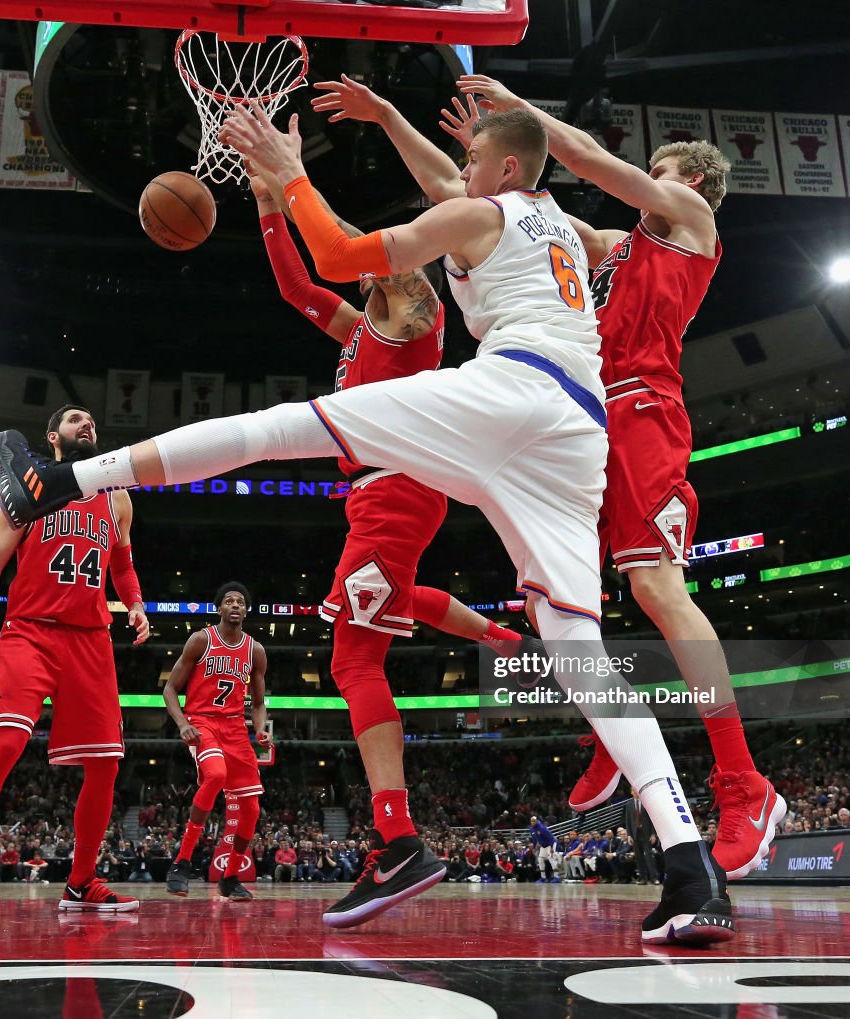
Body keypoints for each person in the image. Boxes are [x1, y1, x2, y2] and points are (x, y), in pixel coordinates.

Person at [0, 103, 733, 944]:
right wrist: (383, 118)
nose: (463, 163)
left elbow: (339, 254)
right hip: (577, 430)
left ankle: (56, 481)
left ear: (508, 169)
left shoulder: (482, 213)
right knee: (579, 651)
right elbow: (447, 188)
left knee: (279, 429)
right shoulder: (549, 219)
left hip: (509, 391)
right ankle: (690, 867)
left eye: (475, 155)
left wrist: (286, 171)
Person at [435, 74, 786, 881]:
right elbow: (514, 213)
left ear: (688, 180)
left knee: (660, 590)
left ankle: (744, 785)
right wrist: (477, 157)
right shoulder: (616, 246)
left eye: (654, 171)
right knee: (563, 597)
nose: (642, 182)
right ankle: (610, 735)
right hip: (585, 418)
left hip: (643, 412)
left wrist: (522, 113)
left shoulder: (692, 223)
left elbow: (588, 158)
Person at [249, 163, 543, 916]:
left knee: (353, 658)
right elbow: (296, 290)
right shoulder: (360, 333)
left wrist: (292, 181)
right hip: (389, 497)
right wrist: (267, 208)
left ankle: (397, 838)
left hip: (395, 491)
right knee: (388, 606)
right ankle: (496, 636)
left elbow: (345, 252)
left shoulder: (414, 309)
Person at [0, 406, 149, 919]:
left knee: (107, 764)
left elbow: (123, 564)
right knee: (4, 744)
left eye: (92, 419)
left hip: (90, 639)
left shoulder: (119, 500)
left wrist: (134, 602)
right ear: (54, 438)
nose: (86, 423)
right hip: (31, 631)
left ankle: (81, 881)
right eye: (74, 419)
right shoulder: (30, 491)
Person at [162, 581, 269, 902]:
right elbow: (169, 690)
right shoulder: (200, 640)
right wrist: (182, 724)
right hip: (202, 723)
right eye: (229, 601)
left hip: (236, 728)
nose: (235, 605)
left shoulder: (256, 650)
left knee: (251, 808)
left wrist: (261, 729)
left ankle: (230, 877)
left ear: (246, 611)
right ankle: (181, 863)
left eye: (241, 602)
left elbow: (259, 703)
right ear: (219, 608)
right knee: (217, 776)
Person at [528, 814, 561, 883]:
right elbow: (535, 839)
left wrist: (552, 847)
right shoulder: (531, 829)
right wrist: (534, 847)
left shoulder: (542, 828)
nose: (533, 822)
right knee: (540, 859)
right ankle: (543, 877)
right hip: (543, 846)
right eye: (531, 821)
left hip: (550, 844)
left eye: (534, 821)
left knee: (551, 859)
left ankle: (557, 877)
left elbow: (551, 837)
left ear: (537, 821)